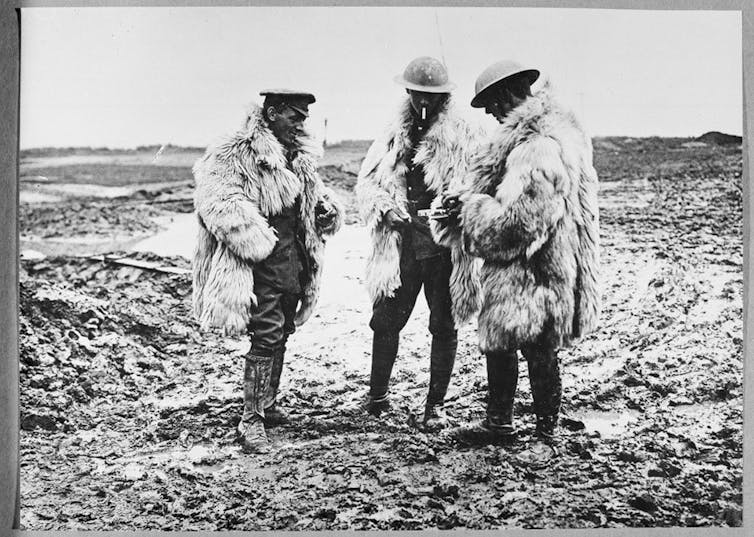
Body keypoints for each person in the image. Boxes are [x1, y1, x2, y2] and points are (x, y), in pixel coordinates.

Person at [431, 60, 600, 442]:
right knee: (524, 344)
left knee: (527, 345)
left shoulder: (537, 146)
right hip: (549, 264)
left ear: (508, 95)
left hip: (533, 269)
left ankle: (526, 429)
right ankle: (525, 427)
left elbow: (521, 222)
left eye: (491, 105)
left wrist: (471, 212)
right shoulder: (555, 131)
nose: (491, 114)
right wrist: (463, 202)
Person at [192, 89, 343, 453]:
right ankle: (251, 419)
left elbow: (314, 196)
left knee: (283, 330)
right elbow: (216, 201)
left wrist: (325, 211)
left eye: (305, 118)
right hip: (258, 262)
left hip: (294, 259)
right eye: (296, 116)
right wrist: (257, 239)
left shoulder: (299, 156)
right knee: (266, 335)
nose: (301, 124)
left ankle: (268, 403)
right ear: (273, 112)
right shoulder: (236, 151)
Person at [355, 57, 481, 429]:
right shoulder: (393, 134)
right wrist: (384, 208)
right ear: (408, 92)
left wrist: (450, 208)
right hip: (402, 246)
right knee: (385, 321)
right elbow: (368, 182)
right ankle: (377, 397)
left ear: (445, 96)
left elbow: (476, 187)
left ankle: (435, 407)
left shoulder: (465, 137)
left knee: (444, 325)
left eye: (432, 96)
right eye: (417, 94)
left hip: (443, 249)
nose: (424, 102)